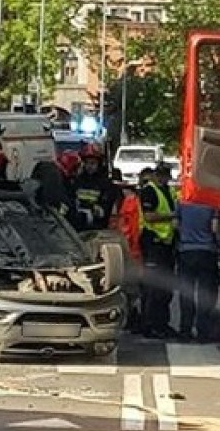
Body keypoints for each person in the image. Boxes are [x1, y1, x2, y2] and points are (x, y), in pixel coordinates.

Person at [138, 162, 178, 339]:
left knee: (165, 288)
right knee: (154, 288)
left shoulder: (169, 191)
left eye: (166, 175)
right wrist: (173, 215)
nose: (163, 178)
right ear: (155, 175)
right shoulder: (149, 190)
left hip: (166, 244)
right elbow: (149, 216)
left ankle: (162, 324)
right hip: (153, 243)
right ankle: (150, 325)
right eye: (160, 174)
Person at [175, 199, 220, 342]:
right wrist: (218, 244)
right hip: (207, 252)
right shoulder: (212, 203)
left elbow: (175, 225)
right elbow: (215, 228)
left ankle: (185, 331)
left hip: (186, 251)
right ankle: (203, 332)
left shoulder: (181, 202)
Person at [109, 168, 144, 331]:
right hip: (131, 250)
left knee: (130, 287)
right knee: (131, 287)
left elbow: (126, 228)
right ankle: (131, 315)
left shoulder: (128, 203)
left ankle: (131, 315)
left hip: (129, 249)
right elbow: (127, 229)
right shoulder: (130, 203)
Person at [74, 142, 118, 231]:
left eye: (93, 163)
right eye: (87, 163)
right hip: (78, 228)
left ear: (99, 164)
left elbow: (105, 209)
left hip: (98, 229)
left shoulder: (106, 184)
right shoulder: (78, 181)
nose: (89, 166)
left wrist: (92, 209)